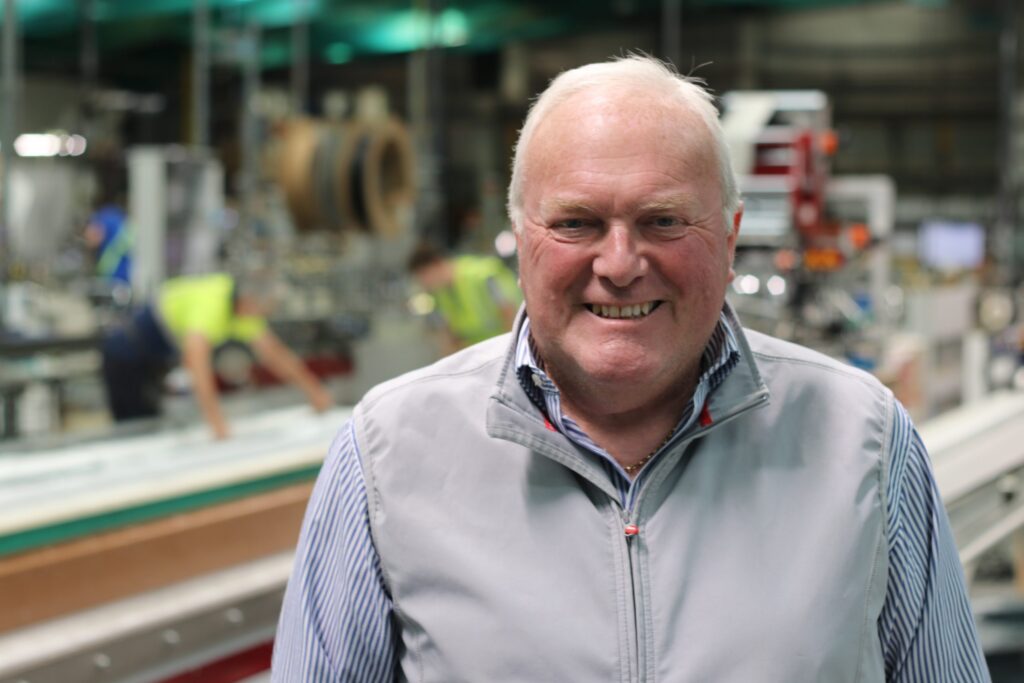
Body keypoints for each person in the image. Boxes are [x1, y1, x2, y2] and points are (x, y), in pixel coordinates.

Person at [273, 56, 988, 681]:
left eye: (663, 221)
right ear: (521, 239)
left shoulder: (863, 439)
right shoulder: (385, 456)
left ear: (730, 238)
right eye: (576, 223)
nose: (619, 265)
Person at [100, 271, 333, 439]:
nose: (262, 317)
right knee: (135, 428)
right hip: (125, 356)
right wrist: (216, 422)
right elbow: (196, 363)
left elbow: (275, 354)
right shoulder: (212, 305)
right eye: (263, 310)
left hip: (154, 357)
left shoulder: (243, 311)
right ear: (249, 302)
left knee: (151, 422)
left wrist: (315, 392)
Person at [407, 242, 522, 353]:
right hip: (482, 354)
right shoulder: (439, 295)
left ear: (435, 264)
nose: (424, 284)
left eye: (423, 277)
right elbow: (448, 336)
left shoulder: (480, 275)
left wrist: (511, 352)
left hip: (507, 346)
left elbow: (509, 312)